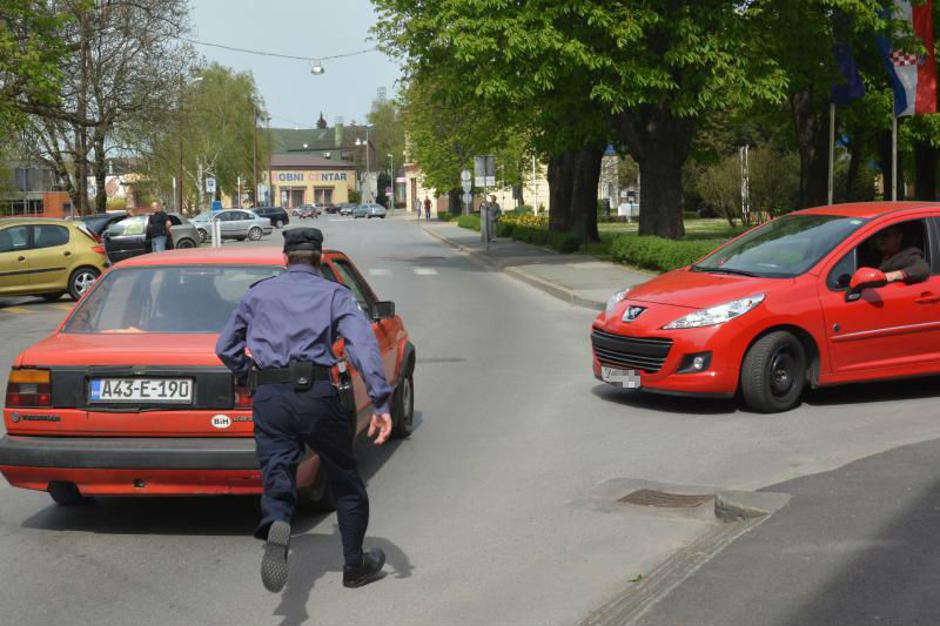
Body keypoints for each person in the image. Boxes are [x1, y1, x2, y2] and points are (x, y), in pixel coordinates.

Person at [215, 228, 393, 594]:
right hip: (318, 395)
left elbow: (225, 346)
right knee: (344, 478)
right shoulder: (335, 294)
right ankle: (354, 565)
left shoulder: (258, 293)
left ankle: (278, 520)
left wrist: (247, 374)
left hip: (270, 396)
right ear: (319, 258)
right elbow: (363, 347)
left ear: (285, 258)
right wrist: (380, 400)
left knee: (277, 467)